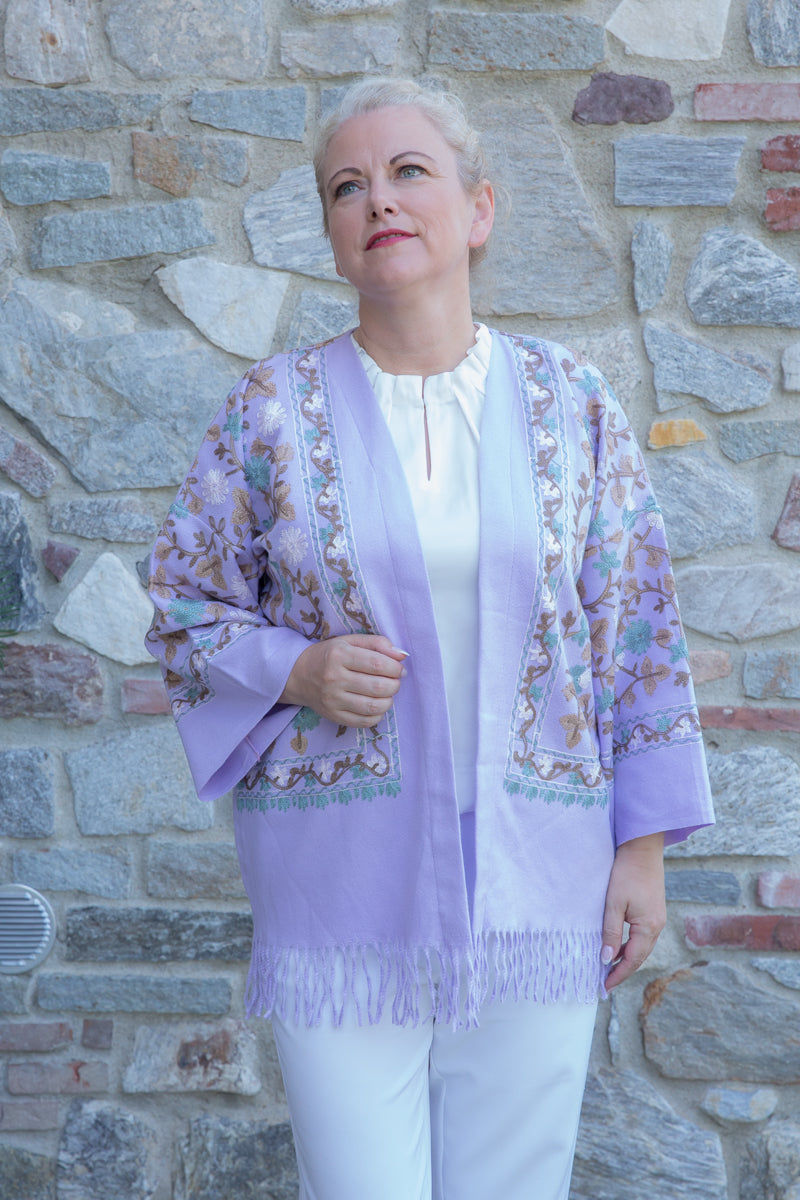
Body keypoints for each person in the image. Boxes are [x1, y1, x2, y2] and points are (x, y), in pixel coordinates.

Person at [146, 77, 714, 1200]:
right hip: (340, 888)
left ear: (479, 207)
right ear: (331, 233)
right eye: (346, 187)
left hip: (539, 878)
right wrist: (297, 669)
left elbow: (638, 628)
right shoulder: (268, 411)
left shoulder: (573, 406)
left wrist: (641, 852)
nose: (380, 201)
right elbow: (182, 606)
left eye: (409, 172)